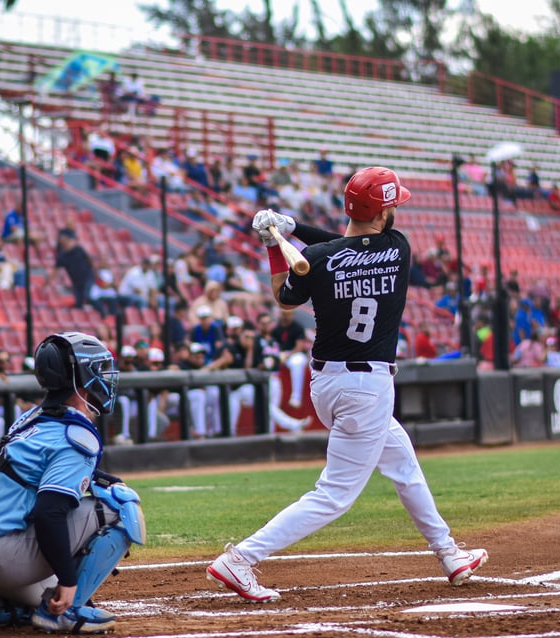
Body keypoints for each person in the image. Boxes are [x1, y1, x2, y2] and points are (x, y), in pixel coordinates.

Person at [207, 167, 488, 602]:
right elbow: (346, 244)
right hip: (367, 386)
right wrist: (291, 229)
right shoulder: (398, 248)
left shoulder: (318, 260)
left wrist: (274, 243)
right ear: (381, 213)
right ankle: (241, 558)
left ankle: (449, 553)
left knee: (403, 463)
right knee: (335, 494)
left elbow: (285, 297)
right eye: (391, 205)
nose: (395, 210)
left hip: (328, 384)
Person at [0, 332, 143, 634]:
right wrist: (67, 580)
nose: (105, 378)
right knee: (120, 506)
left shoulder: (31, 418)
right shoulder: (76, 435)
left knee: (40, 601)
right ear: (80, 375)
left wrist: (98, 477)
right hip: (2, 559)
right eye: (98, 370)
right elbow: (48, 513)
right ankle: (69, 610)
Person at [52, 228, 94, 308]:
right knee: (79, 301)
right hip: (76, 281)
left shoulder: (78, 249)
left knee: (87, 296)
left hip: (87, 277)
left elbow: (89, 259)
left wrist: (93, 270)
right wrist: (47, 283)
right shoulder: (63, 256)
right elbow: (55, 270)